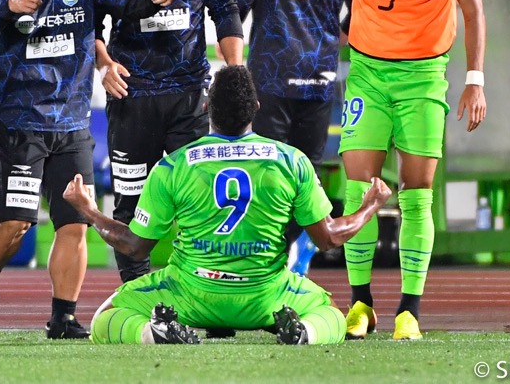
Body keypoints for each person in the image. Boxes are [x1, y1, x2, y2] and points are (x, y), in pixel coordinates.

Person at [246, 0, 487, 341]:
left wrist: (474, 80)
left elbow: (472, 8)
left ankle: (411, 312)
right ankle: (361, 304)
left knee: (417, 196)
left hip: (423, 75)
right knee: (360, 190)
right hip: (368, 75)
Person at [0, 0, 173, 340]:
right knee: (16, 223)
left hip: (74, 122)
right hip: (19, 122)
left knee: (75, 223)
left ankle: (63, 316)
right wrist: (10, 8)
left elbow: (130, 1)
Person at [63, 65, 392, 345]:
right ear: (256, 107)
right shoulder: (292, 161)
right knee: (331, 315)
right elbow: (329, 237)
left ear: (206, 106)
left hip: (191, 293)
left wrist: (88, 209)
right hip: (266, 293)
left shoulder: (174, 166)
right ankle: (303, 332)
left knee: (105, 320)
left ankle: (153, 334)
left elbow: (135, 246)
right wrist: (370, 206)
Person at [87, 0, 243, 286]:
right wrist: (105, 64)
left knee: (198, 201)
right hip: (130, 98)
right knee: (132, 205)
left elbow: (225, 10)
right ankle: (138, 297)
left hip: (190, 95)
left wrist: (236, 71)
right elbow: (89, 24)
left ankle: (202, 295)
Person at [232, 0, 347, 277]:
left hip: (270, 78)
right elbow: (353, 16)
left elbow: (238, 1)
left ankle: (260, 272)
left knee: (266, 178)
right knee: (306, 180)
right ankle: (295, 270)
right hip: (320, 77)